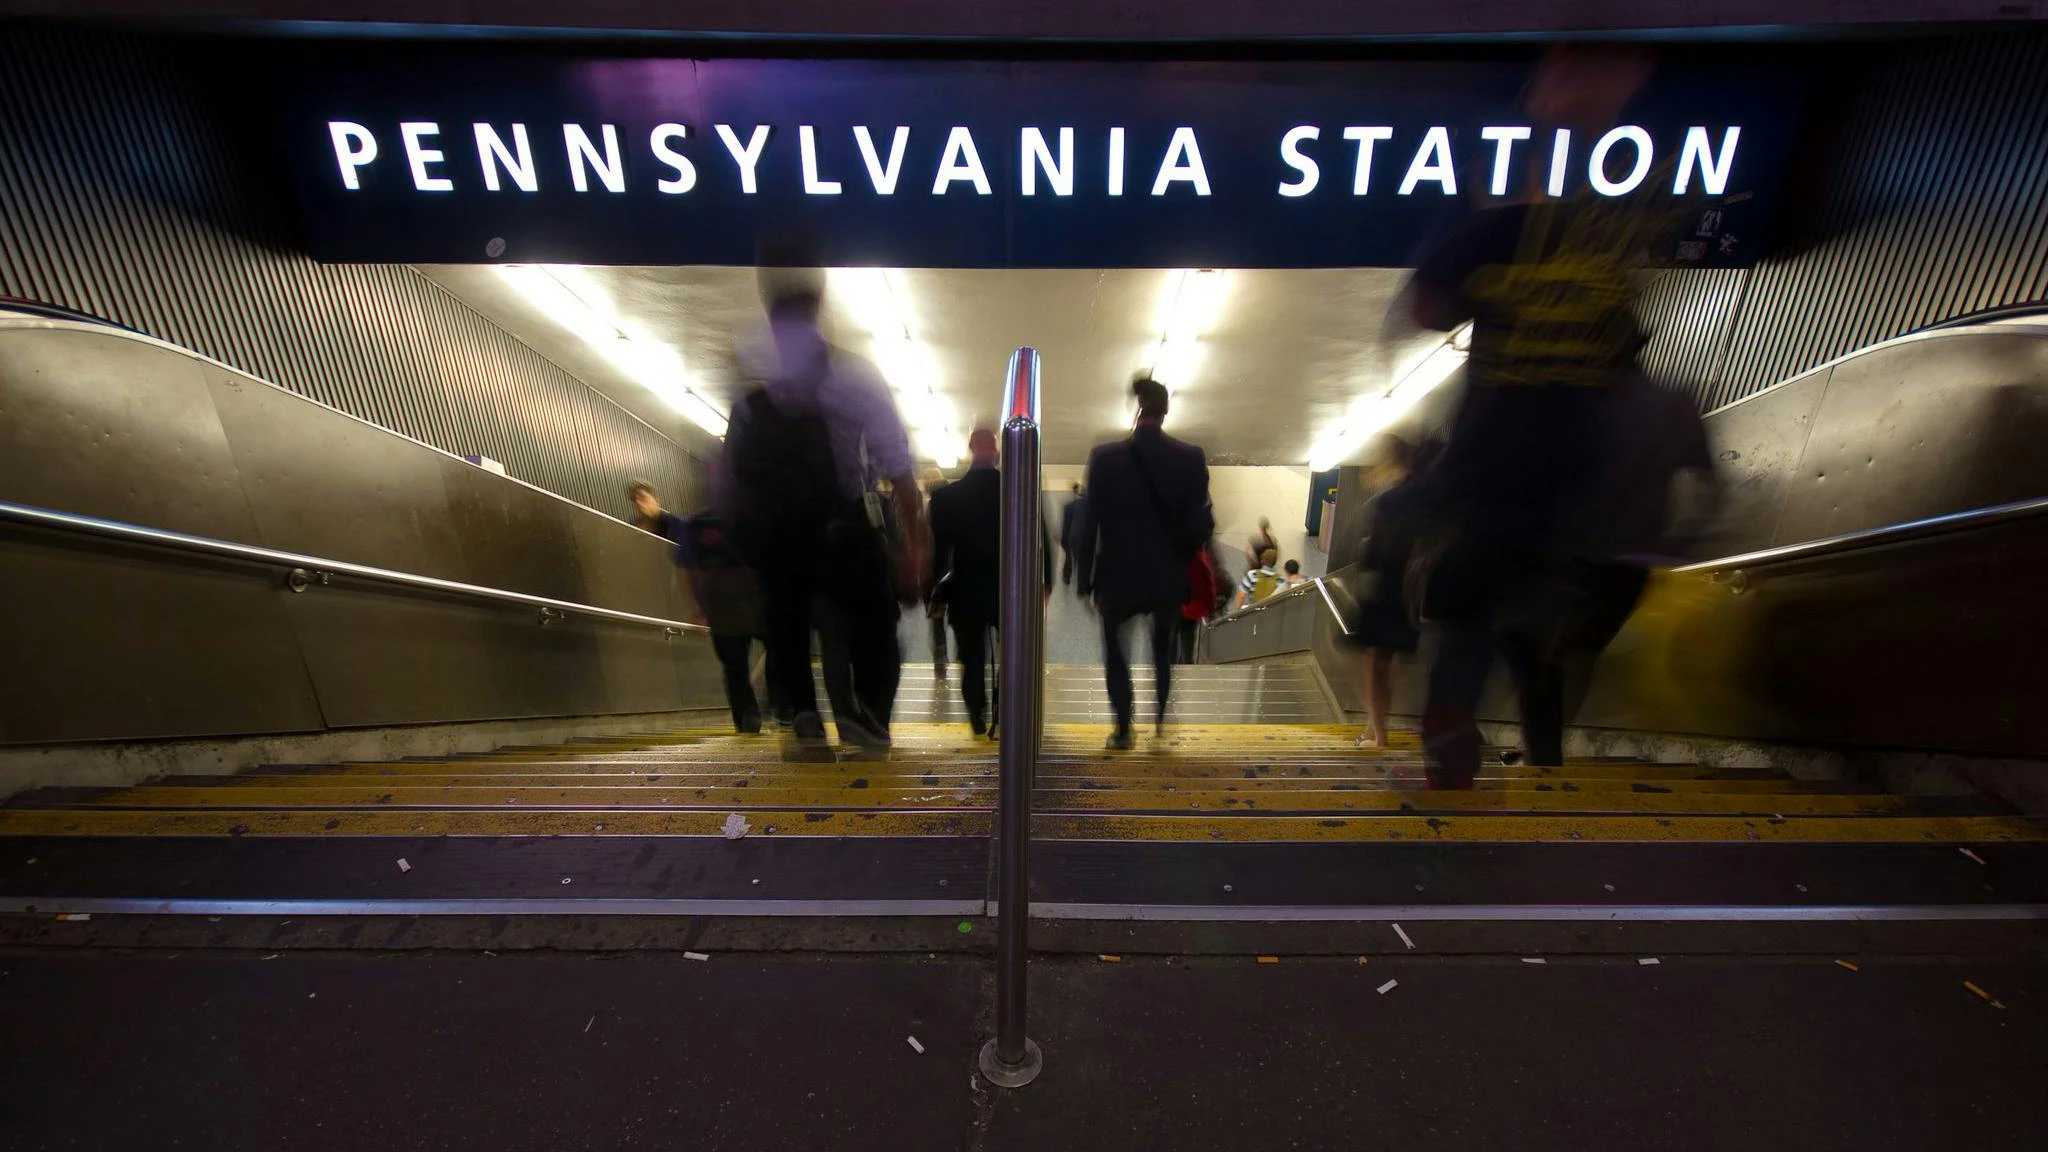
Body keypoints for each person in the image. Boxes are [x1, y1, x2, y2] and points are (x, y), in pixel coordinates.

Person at [1402, 44, 1677, 789]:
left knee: (1480, 599)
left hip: (1499, 446)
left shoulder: (1500, 222)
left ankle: (1457, 718)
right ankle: (1516, 734)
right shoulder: (1615, 220)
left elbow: (1425, 307)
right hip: (1571, 455)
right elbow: (1624, 353)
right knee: (1523, 599)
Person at [718, 258, 927, 751]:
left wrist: (741, 545)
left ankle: (806, 716)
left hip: (777, 535)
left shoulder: (749, 378)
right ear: (818, 307)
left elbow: (730, 474)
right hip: (842, 524)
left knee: (786, 626)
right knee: (875, 625)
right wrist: (916, 539)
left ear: (771, 312)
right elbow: (895, 462)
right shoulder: (854, 374)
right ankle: (869, 716)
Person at [1495, 373, 1720, 767]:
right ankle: (1543, 751)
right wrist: (1676, 543)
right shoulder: (1671, 404)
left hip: (1568, 555)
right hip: (1626, 561)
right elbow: (1708, 485)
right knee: (1574, 653)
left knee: (1540, 647)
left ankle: (1541, 752)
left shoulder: (1574, 401)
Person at [1075, 375, 1214, 750]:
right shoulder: (1190, 457)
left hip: (1117, 577)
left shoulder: (1104, 457)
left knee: (1115, 652)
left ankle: (1123, 729)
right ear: (1165, 411)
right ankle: (1160, 721)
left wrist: (1084, 580)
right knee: (1162, 647)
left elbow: (1090, 522)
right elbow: (1202, 524)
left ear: (1137, 410)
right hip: (1167, 577)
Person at [926, 428, 1052, 735]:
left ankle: (976, 713)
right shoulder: (1018, 491)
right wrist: (1044, 579)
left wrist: (933, 595)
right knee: (1011, 652)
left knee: (972, 655)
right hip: (1010, 587)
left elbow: (939, 552)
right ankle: (1004, 708)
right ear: (996, 451)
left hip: (965, 588)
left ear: (970, 449)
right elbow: (1041, 538)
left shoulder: (947, 498)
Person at [1338, 434, 1431, 750]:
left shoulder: (1390, 500)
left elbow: (1375, 550)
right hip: (1410, 594)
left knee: (1373, 663)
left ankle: (1378, 734)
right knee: (1387, 660)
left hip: (1384, 591)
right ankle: (1375, 725)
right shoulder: (1425, 498)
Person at [676, 510, 779, 733]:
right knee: (777, 651)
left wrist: (696, 608)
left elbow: (686, 567)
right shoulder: (754, 513)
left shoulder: (696, 524)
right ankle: (780, 707)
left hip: (723, 605)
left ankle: (748, 718)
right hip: (757, 601)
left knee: (735, 667)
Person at [924, 477, 952, 680]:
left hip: (933, 575)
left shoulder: (927, 513)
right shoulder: (958, 511)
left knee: (936, 620)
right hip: (956, 572)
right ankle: (965, 658)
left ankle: (940, 661)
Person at [1233, 546, 1283, 612]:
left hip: (1255, 612)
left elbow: (1241, 596)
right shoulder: (1280, 579)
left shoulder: (1252, 574)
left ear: (1262, 560)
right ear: (1274, 562)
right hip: (1272, 614)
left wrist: (1235, 612)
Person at [1058, 483, 1088, 586]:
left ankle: (1067, 577)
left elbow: (1066, 526)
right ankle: (1082, 583)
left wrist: (1063, 541)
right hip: (1086, 538)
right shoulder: (1089, 507)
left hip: (1073, 537)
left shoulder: (1069, 507)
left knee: (1069, 558)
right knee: (1084, 560)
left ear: (1075, 494)